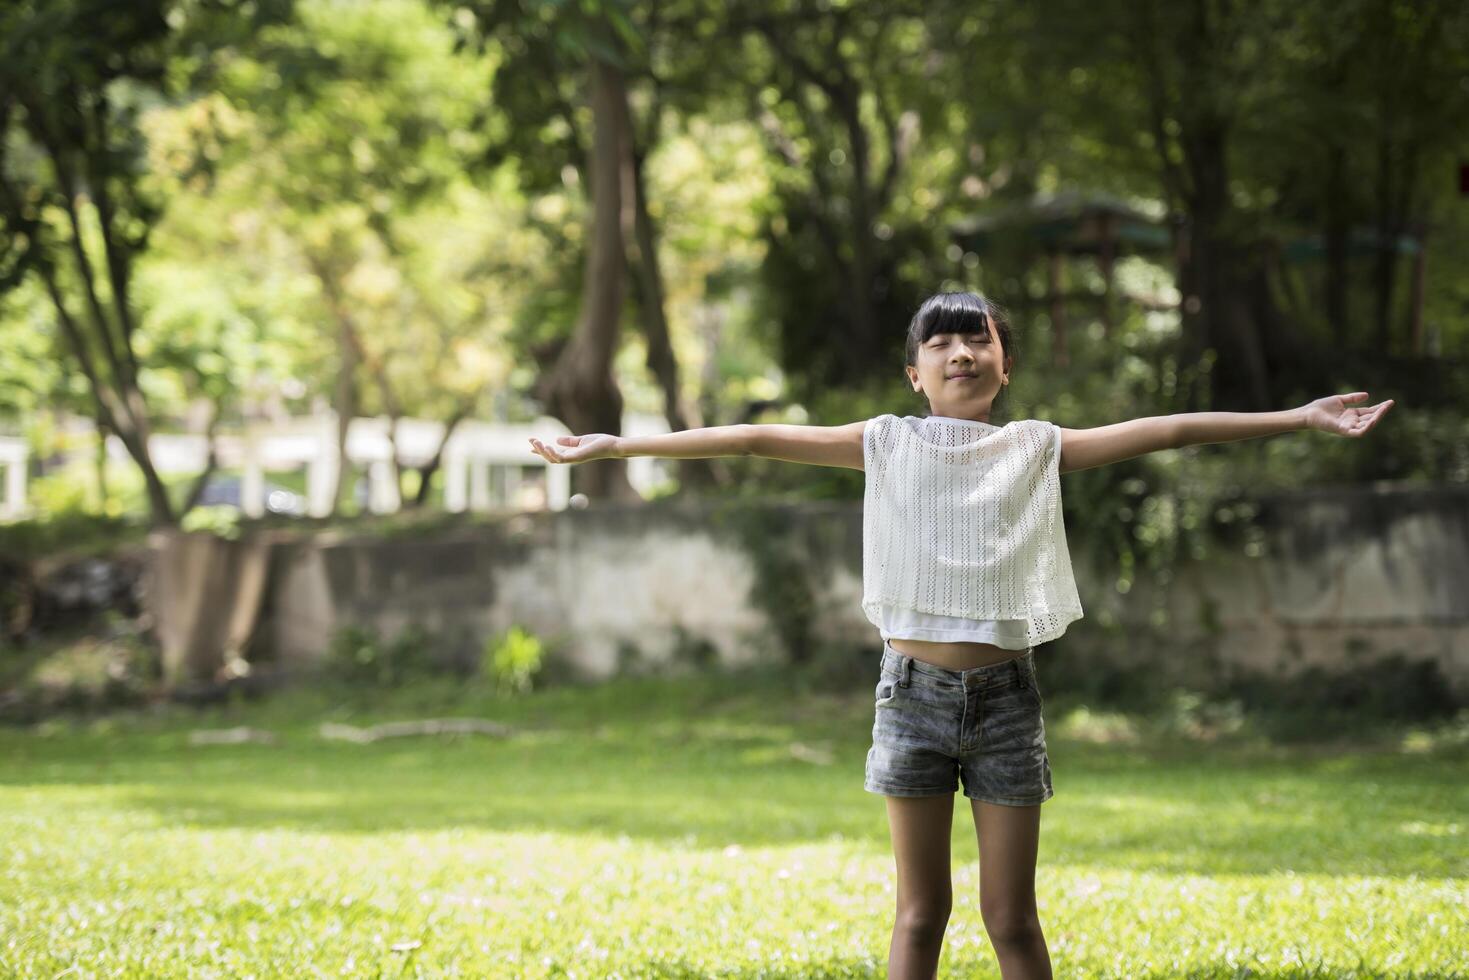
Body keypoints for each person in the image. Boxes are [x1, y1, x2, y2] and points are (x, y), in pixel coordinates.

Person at [527, 290, 1394, 980]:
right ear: (913, 371)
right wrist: (616, 447)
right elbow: (755, 438)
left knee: (1010, 918)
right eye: (939, 342)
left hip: (1006, 706)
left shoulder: (1033, 446)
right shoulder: (884, 443)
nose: (960, 352)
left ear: (1004, 364)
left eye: (977, 339)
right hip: (910, 698)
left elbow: (1166, 431)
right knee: (918, 914)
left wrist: (1297, 418)